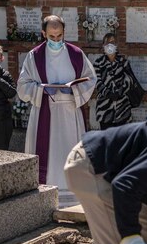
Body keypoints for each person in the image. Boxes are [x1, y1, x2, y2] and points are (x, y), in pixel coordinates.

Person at [18, 14, 97, 207]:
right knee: (49, 158)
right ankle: (45, 197)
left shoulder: (76, 54)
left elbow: (90, 79)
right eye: (51, 37)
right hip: (45, 111)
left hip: (70, 112)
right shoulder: (34, 56)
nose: (56, 40)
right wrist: (42, 89)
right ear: (43, 33)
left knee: (70, 152)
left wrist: (73, 89)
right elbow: (22, 86)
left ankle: (74, 198)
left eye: (59, 36)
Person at [92, 32, 138, 129]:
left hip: (122, 108)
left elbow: (130, 79)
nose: (110, 45)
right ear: (103, 46)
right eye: (107, 43)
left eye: (112, 42)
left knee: (122, 139)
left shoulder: (123, 62)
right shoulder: (98, 63)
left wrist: (120, 92)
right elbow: (97, 81)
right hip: (105, 110)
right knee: (107, 140)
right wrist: (108, 93)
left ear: (116, 45)